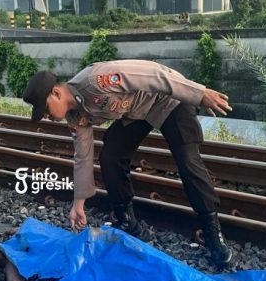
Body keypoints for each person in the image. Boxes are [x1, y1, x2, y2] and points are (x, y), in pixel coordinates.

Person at [22, 59, 234, 268]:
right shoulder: (76, 116)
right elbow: (83, 155)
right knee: (111, 156)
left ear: (56, 94)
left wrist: (199, 93)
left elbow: (153, 74)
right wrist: (79, 202)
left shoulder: (97, 80)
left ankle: (212, 233)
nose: (47, 117)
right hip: (137, 112)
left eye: (46, 110)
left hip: (167, 100)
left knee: (188, 160)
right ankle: (127, 221)